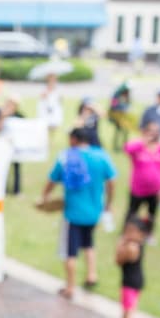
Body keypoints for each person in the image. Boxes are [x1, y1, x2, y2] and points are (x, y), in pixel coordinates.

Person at [40, 127, 117, 298]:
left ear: (74, 139)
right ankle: (91, 275)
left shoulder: (67, 157)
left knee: (70, 251)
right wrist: (109, 203)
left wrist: (44, 197)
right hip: (94, 212)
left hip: (73, 213)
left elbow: (51, 180)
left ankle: (70, 287)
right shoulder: (101, 156)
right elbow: (112, 180)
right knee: (89, 243)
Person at [106, 216, 151, 318]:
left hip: (129, 285)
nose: (128, 234)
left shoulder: (131, 247)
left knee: (130, 316)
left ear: (141, 234)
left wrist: (120, 245)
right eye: (127, 231)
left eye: (132, 231)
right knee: (127, 311)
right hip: (136, 283)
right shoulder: (139, 244)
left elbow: (118, 260)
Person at [123, 121, 160, 233]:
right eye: (151, 131)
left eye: (156, 132)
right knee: (132, 211)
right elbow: (127, 148)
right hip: (138, 188)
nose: (153, 134)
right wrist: (144, 141)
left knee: (152, 213)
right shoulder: (139, 147)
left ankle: (148, 233)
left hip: (155, 189)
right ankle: (126, 232)